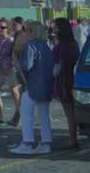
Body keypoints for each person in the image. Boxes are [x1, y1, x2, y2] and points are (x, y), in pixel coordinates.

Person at [10, 22, 54, 155]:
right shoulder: (46, 46)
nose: (25, 33)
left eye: (27, 30)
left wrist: (17, 62)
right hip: (46, 84)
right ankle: (46, 143)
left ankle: (27, 143)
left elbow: (27, 66)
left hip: (33, 85)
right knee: (44, 114)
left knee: (25, 112)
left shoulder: (30, 45)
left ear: (32, 32)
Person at [52, 17, 80, 149]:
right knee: (73, 111)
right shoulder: (73, 43)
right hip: (73, 78)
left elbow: (55, 63)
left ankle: (72, 139)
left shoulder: (61, 46)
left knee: (69, 112)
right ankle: (73, 137)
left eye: (55, 27)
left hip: (63, 80)